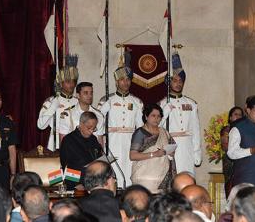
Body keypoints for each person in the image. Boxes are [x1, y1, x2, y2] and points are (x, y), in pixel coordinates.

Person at [98, 52, 144, 188]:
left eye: (128, 79)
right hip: (113, 140)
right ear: (117, 81)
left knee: (130, 170)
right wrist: (103, 109)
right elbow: (97, 123)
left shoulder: (136, 102)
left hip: (130, 141)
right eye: (123, 79)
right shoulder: (106, 100)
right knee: (114, 170)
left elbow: (140, 127)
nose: (126, 82)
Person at [160, 53, 202, 175]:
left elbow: (195, 129)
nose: (178, 83)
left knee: (187, 176)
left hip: (187, 147)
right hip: (171, 146)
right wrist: (165, 112)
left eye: (180, 80)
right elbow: (158, 128)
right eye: (174, 80)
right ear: (169, 82)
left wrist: (196, 151)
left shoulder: (191, 104)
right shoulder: (163, 104)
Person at [130, 103, 177, 193]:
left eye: (159, 116)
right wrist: (154, 154)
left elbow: (172, 147)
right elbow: (133, 156)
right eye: (153, 115)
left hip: (163, 177)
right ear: (146, 116)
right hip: (145, 177)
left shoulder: (164, 132)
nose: (156, 119)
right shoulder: (140, 133)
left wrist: (170, 153)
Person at [37, 54, 79, 151]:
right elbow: (41, 125)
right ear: (60, 83)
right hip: (56, 144)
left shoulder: (78, 101)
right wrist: (53, 107)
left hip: (76, 143)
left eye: (73, 82)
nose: (72, 85)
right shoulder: (51, 101)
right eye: (68, 82)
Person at [59, 111, 103, 190]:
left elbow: (99, 158)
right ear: (81, 124)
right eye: (89, 128)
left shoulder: (93, 139)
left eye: (94, 128)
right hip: (76, 184)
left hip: (93, 182)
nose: (91, 131)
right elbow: (64, 166)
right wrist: (75, 184)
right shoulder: (68, 140)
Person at [59, 82, 105, 146]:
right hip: (75, 153)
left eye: (91, 93)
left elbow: (100, 141)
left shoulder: (99, 115)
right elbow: (63, 141)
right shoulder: (68, 114)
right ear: (78, 95)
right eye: (86, 93)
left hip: (92, 154)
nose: (89, 96)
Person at [220, 106, 244, 196]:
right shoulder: (226, 129)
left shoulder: (244, 129)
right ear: (230, 117)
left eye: (240, 115)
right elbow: (226, 147)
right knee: (231, 189)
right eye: (235, 114)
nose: (238, 116)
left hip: (242, 162)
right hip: (230, 162)